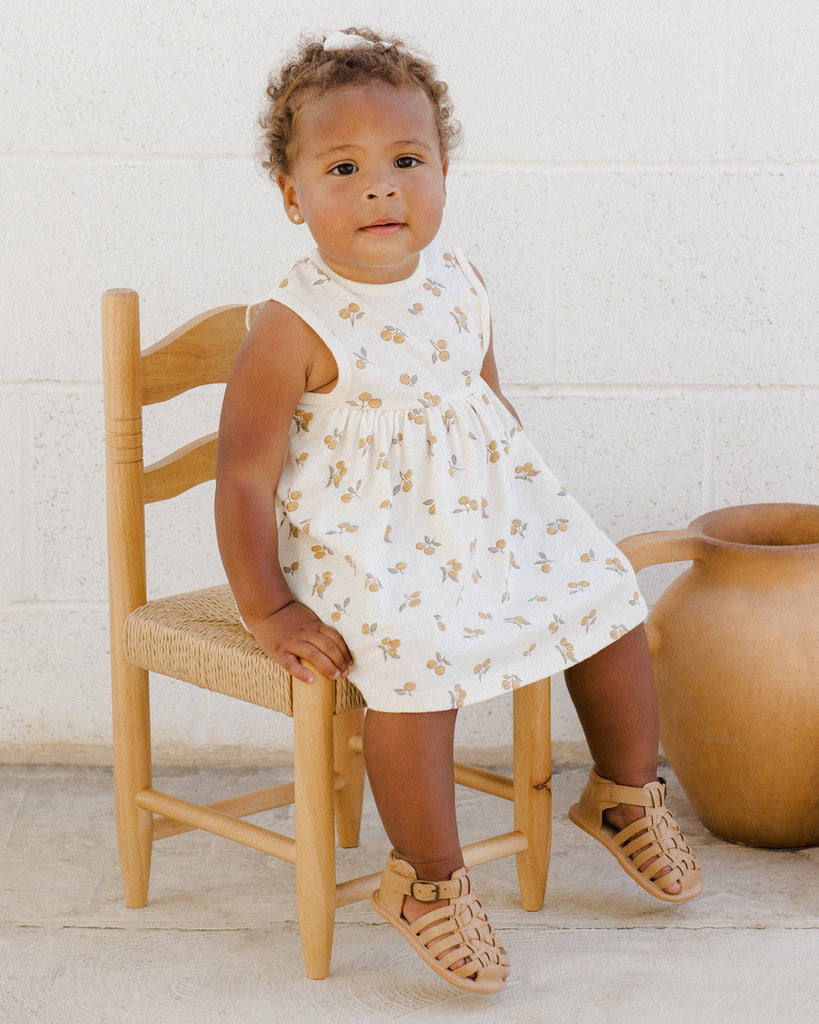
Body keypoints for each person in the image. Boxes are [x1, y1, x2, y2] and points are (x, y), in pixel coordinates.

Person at [214, 27, 702, 995]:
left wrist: (524, 526)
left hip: (475, 519)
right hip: (362, 546)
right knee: (415, 658)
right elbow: (242, 478)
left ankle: (623, 792)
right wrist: (268, 607)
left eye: (406, 161)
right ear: (290, 194)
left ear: (442, 171)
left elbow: (485, 405)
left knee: (604, 591)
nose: (380, 189)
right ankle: (427, 882)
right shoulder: (293, 323)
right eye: (343, 168)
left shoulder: (459, 280)